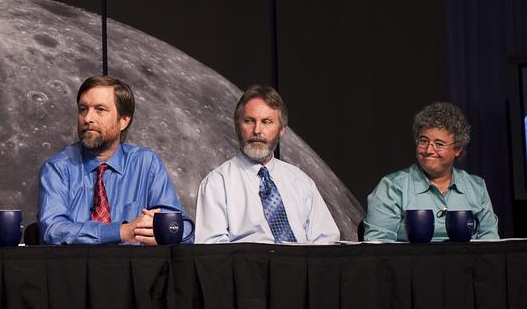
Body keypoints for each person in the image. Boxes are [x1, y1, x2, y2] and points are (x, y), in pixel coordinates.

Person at [37, 75, 191, 245]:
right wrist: (120, 231)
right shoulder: (58, 168)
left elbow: (184, 230)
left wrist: (165, 232)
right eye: (83, 109)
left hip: (136, 270)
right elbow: (52, 231)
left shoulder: (147, 164)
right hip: (75, 270)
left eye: (100, 109)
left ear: (123, 121)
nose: (88, 118)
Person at [195, 85, 340, 243]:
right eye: (249, 121)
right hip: (248, 266)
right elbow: (212, 254)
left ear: (282, 130)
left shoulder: (302, 182)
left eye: (266, 122)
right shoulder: (217, 184)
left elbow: (326, 241)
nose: (257, 130)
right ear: (237, 126)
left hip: (302, 266)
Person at [364, 101, 499, 242]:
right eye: (423, 141)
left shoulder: (476, 187)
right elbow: (378, 248)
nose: (429, 150)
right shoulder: (392, 187)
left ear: (458, 149)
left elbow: (491, 245)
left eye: (439, 144)